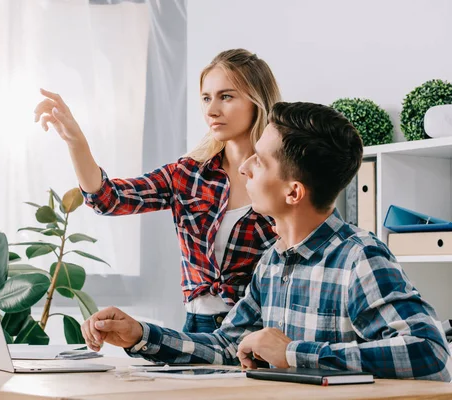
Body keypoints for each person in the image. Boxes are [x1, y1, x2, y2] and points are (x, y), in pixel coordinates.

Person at [79, 102, 452, 381]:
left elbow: (427, 349)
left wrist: (292, 353)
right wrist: (140, 335)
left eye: (260, 161)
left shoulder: (360, 257)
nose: (243, 167)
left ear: (293, 192)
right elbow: (227, 346)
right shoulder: (273, 262)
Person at [34, 49, 281, 333]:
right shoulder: (187, 175)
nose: (211, 110)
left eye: (226, 96)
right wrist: (76, 142)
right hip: (198, 327)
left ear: (256, 101)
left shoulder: (283, 177)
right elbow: (109, 199)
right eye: (206, 98)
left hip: (261, 329)